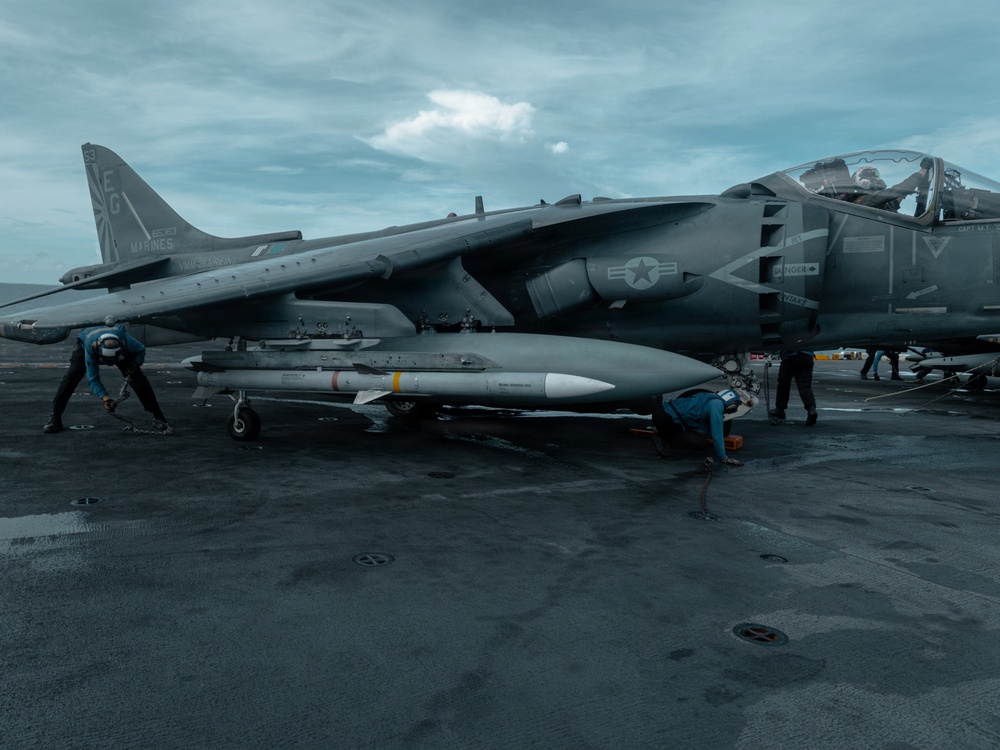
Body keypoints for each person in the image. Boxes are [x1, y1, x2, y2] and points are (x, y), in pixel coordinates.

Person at [43, 324, 169, 434]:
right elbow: (93, 378)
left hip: (118, 352)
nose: (109, 364)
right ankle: (55, 418)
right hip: (88, 343)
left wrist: (135, 364)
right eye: (106, 361)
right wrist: (105, 398)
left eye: (112, 361)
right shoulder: (90, 348)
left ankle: (159, 416)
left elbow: (141, 349)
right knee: (71, 377)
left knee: (138, 379)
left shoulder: (125, 340)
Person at [650, 389, 749, 465]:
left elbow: (692, 418)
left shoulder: (708, 397)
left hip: (661, 411)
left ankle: (663, 432)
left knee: (693, 431)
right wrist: (724, 458)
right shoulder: (717, 405)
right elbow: (717, 434)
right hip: (666, 418)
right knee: (701, 443)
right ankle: (663, 442)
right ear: (732, 403)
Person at [848, 158, 932, 212]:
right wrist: (923, 169)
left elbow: (897, 198)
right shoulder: (866, 200)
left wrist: (923, 190)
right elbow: (897, 190)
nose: (877, 179)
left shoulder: (878, 202)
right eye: (872, 176)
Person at [769, 350, 817, 425]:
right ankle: (811, 409)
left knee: (783, 384)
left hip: (791, 356)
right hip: (807, 356)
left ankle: (780, 410)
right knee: (804, 385)